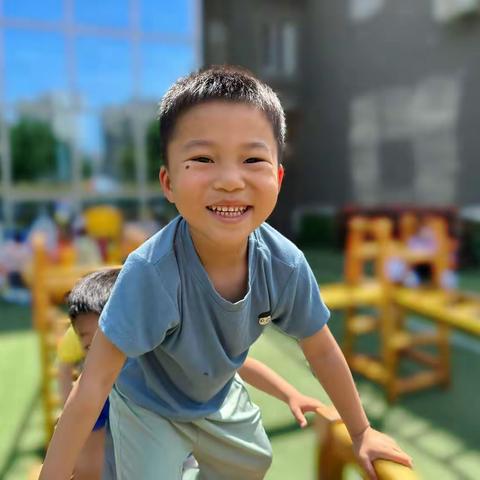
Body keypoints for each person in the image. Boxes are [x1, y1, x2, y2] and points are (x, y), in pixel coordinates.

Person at [40, 66, 412, 480]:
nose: (230, 181)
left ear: (278, 176)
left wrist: (361, 431)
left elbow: (321, 348)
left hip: (215, 397)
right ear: (168, 182)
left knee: (254, 463)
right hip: (148, 404)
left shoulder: (283, 264)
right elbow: (90, 387)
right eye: (203, 159)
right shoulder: (150, 273)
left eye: (253, 159)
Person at [57, 268, 337, 479]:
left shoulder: (166, 344)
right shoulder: (94, 375)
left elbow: (239, 364)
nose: (107, 353)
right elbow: (84, 454)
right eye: (91, 347)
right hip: (114, 425)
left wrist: (290, 394)